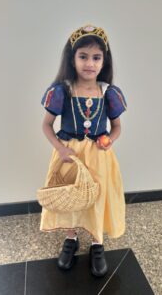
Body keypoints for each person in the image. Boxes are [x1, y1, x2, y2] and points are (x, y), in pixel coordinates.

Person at [40, 24, 127, 277]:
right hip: (71, 156)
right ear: (73, 58)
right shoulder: (62, 91)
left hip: (99, 157)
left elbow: (117, 127)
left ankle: (97, 242)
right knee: (71, 195)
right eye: (83, 56)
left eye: (96, 57)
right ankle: (71, 237)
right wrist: (60, 149)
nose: (90, 63)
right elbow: (46, 125)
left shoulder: (109, 92)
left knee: (97, 196)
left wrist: (109, 140)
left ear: (104, 61)